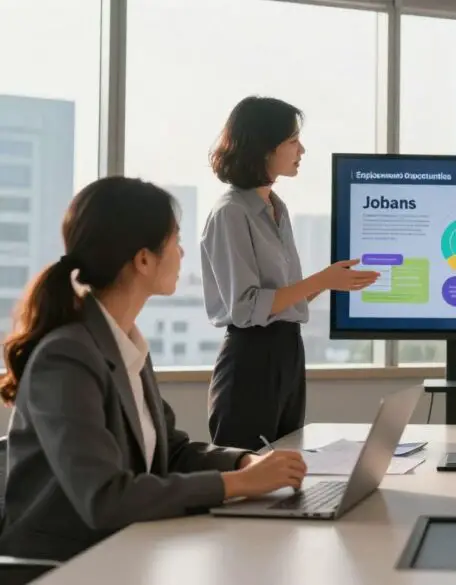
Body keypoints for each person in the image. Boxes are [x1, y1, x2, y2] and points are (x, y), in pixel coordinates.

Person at [0, 177, 308, 562]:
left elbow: (170, 451)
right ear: (143, 259)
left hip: (126, 550)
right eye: (174, 241)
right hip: (64, 565)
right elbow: (106, 499)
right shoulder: (66, 358)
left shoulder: (125, 343)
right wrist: (236, 483)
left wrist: (245, 462)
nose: (181, 252)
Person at [202, 96, 379, 451]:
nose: (302, 150)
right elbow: (247, 307)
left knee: (286, 469)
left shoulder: (276, 208)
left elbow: (281, 298)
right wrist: (321, 281)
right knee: (252, 477)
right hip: (251, 360)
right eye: (293, 141)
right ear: (265, 148)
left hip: (287, 352)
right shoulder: (231, 213)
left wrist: (330, 281)